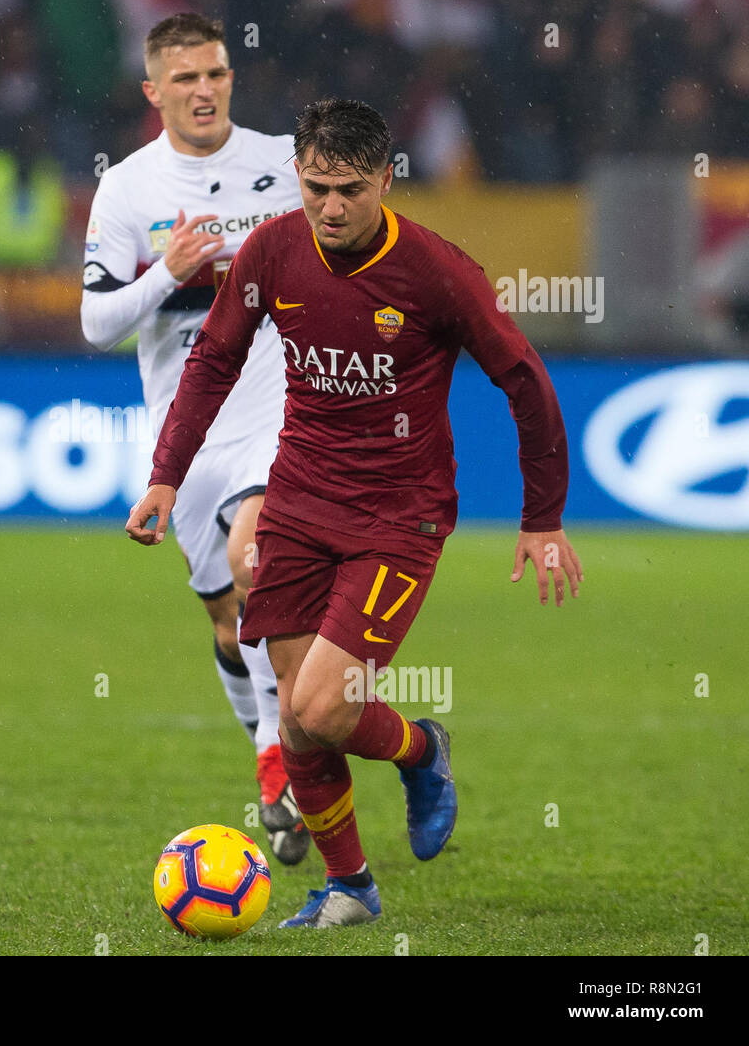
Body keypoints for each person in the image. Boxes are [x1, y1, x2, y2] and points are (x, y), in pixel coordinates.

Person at [126, 98, 582, 927]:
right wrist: (166, 476)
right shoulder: (272, 250)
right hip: (296, 501)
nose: (330, 208)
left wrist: (541, 515)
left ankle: (421, 749)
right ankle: (352, 889)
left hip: (397, 517)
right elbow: (214, 362)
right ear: (297, 174)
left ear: (386, 179)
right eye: (315, 187)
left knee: (319, 708)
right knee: (301, 726)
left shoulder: (439, 272)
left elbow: (525, 380)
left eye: (348, 190)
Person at [81, 13, 310, 863]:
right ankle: (275, 755)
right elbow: (96, 322)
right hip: (188, 424)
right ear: (154, 92)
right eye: (184, 80)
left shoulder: (285, 164)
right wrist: (164, 275)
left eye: (214, 73)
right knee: (225, 618)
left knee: (260, 562)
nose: (204, 90)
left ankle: (275, 767)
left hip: (277, 401)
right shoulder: (129, 190)